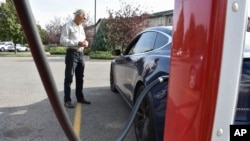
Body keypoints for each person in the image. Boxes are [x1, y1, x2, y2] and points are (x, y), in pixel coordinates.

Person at [60, 9, 91, 108]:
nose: (85, 20)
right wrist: (77, 43)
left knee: (80, 77)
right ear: (78, 16)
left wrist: (86, 42)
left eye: (86, 18)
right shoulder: (68, 25)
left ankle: (80, 98)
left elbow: (83, 38)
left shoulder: (81, 27)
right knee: (69, 77)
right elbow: (63, 40)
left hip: (81, 54)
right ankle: (67, 100)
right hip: (72, 54)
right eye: (84, 18)